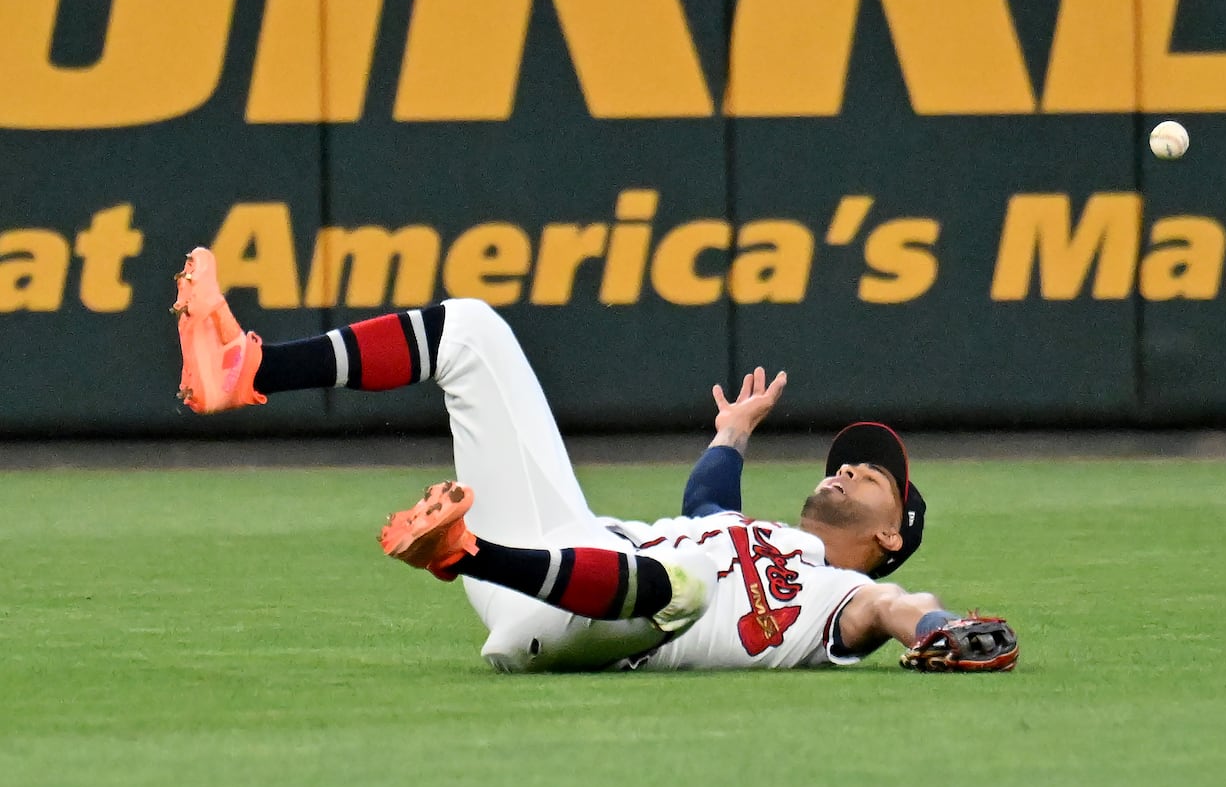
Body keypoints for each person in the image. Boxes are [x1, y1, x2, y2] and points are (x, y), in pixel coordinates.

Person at [172, 246, 976, 672]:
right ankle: (248, 369)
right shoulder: (761, 537)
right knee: (474, 331)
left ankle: (463, 551)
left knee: (686, 587)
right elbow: (706, 500)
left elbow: (896, 611)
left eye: (868, 476)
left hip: (594, 628)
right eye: (846, 462)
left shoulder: (845, 596)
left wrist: (939, 627)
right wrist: (731, 433)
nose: (844, 470)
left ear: (891, 537)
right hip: (556, 560)